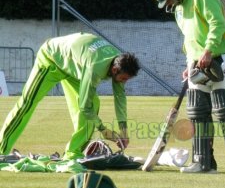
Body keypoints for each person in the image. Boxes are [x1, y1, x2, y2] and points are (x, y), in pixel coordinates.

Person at [152, 0, 225, 175]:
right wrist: (190, 62)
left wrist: (207, 51)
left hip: (217, 59)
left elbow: (218, 24)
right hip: (197, 64)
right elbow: (190, 37)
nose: (168, 5)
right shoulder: (178, 9)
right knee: (197, 113)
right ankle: (202, 162)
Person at [0, 32, 140, 160]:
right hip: (51, 59)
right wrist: (104, 130)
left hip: (74, 68)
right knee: (27, 103)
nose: (123, 82)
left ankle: (73, 153)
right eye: (123, 79)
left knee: (94, 103)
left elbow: (120, 98)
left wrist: (124, 132)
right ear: (114, 70)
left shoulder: (120, 62)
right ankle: (1, 149)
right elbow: (84, 106)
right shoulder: (95, 68)